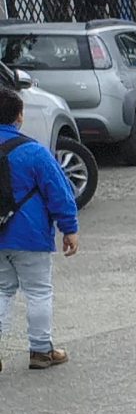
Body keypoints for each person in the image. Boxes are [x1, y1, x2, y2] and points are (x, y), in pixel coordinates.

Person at [0, 80, 80, 370]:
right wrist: (69, 228)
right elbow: (59, 191)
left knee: (1, 290)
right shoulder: (34, 152)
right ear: (19, 116)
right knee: (37, 292)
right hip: (30, 235)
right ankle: (41, 351)